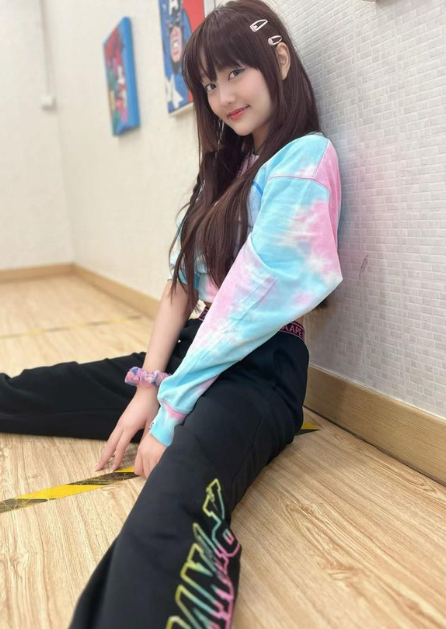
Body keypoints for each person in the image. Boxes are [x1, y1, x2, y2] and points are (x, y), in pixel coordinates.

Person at [0, 0, 343, 626]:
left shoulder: (306, 159)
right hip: (200, 347)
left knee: (171, 494)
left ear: (279, 61)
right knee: (61, 386)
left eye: (235, 73)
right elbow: (180, 285)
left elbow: (250, 301)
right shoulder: (225, 170)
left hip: (263, 368)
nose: (222, 97)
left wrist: (170, 412)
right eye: (209, 84)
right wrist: (149, 388)